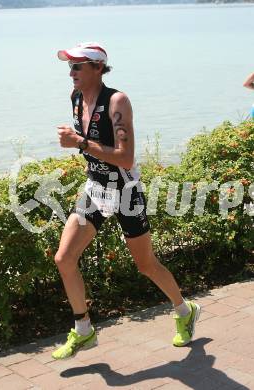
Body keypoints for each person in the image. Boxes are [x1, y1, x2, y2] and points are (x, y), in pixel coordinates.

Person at [51, 42, 201, 360]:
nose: (71, 72)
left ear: (97, 67)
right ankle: (83, 331)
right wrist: (81, 145)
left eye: (78, 66)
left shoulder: (117, 101)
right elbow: (92, 148)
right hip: (96, 189)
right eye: (69, 66)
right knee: (64, 259)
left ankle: (185, 310)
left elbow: (125, 156)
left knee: (145, 264)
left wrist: (79, 143)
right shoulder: (76, 98)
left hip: (126, 192)